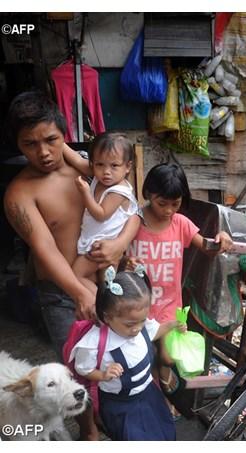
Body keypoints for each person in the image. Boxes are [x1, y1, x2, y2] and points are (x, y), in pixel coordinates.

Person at [3, 91, 141, 440]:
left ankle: (114, 414)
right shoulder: (19, 194)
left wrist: (120, 245)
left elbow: (131, 209)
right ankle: (88, 431)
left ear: (65, 135)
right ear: (16, 144)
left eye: (51, 140)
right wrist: (80, 291)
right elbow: (44, 249)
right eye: (29, 144)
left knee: (117, 355)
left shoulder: (89, 169)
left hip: (106, 281)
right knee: (76, 369)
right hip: (62, 293)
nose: (44, 152)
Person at [126, 163, 232, 405]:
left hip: (170, 306)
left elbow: (207, 246)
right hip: (138, 305)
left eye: (175, 204)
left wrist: (221, 238)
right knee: (140, 355)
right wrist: (125, 262)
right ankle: (159, 399)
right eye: (162, 203)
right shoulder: (134, 222)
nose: (168, 211)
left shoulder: (181, 223)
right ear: (148, 194)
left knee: (168, 356)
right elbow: (119, 254)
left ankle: (162, 375)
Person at [70, 267, 185, 441]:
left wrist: (173, 325)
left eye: (141, 320)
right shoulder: (94, 344)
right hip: (120, 405)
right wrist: (102, 374)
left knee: (163, 432)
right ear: (108, 317)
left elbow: (155, 332)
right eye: (130, 324)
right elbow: (83, 369)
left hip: (148, 395)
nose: (137, 328)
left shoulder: (143, 326)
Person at [64, 132, 138, 292]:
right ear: (92, 164)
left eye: (114, 166)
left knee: (77, 276)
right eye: (100, 164)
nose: (106, 171)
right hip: (94, 243)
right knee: (106, 284)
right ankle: (106, 309)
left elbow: (101, 214)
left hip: (101, 247)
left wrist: (84, 192)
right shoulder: (100, 176)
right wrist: (60, 144)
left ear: (128, 167)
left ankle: (101, 304)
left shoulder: (119, 190)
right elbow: (77, 160)